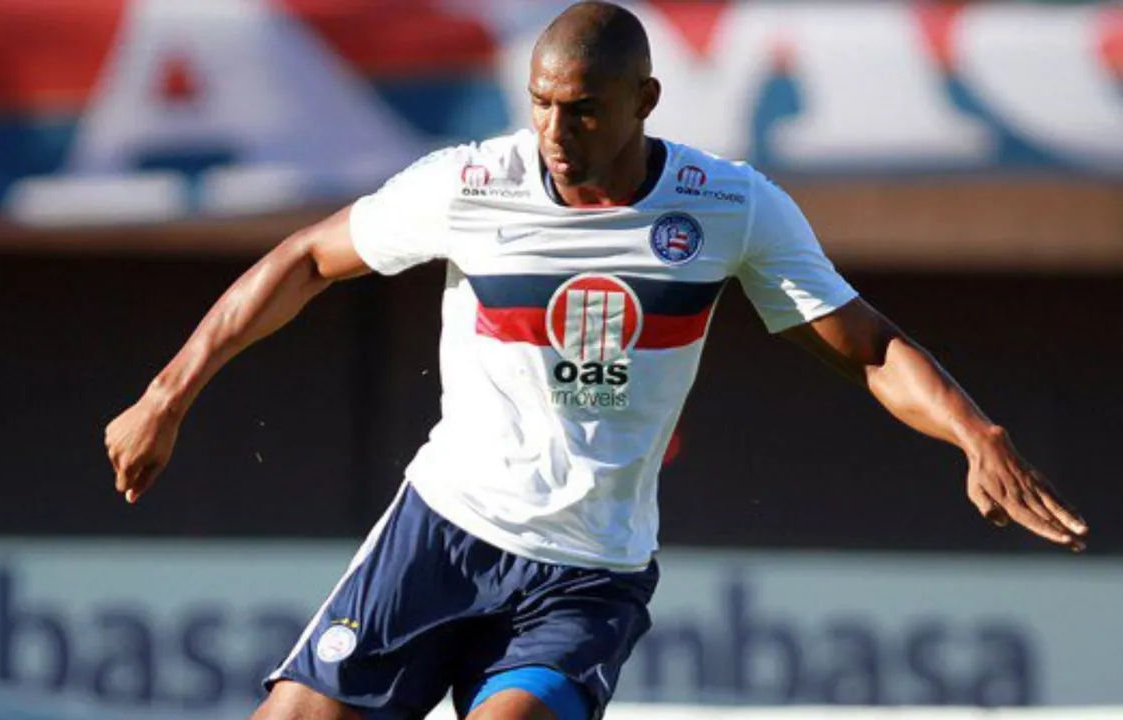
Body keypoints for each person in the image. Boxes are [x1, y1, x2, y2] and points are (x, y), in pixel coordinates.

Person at [103, 2, 1088, 719]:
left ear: (644, 101)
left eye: (581, 110)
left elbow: (864, 348)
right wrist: (167, 395)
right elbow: (305, 258)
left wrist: (973, 431)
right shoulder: (472, 186)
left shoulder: (727, 206)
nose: (555, 135)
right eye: (541, 107)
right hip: (442, 533)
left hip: (588, 572)